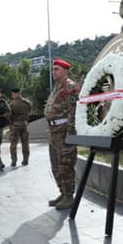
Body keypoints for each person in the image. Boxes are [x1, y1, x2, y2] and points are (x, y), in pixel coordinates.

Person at [44, 59, 80, 210]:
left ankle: (69, 196)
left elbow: (74, 111)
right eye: (53, 69)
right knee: (56, 166)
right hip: (53, 133)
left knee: (65, 165)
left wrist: (70, 135)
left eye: (57, 69)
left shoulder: (70, 87)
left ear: (65, 71)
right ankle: (63, 193)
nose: (54, 72)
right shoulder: (56, 88)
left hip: (64, 132)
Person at [9, 88, 31, 167]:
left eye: (13, 94)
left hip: (15, 125)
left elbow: (10, 115)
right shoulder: (27, 102)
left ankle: (14, 160)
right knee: (25, 143)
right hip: (25, 124)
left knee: (13, 143)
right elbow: (29, 111)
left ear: (16, 94)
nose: (12, 95)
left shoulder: (12, 104)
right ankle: (25, 160)